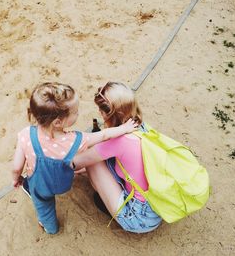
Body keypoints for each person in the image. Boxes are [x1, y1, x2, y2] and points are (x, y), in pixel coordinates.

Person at [12, 82, 137, 234]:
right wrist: (124, 128)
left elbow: (17, 166)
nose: (78, 114)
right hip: (62, 184)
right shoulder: (75, 140)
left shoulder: (26, 135)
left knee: (44, 206)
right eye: (75, 112)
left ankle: (51, 228)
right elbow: (103, 135)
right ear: (58, 122)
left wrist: (16, 178)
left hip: (39, 186)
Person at [71, 82, 162, 233]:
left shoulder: (118, 142)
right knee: (101, 158)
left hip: (140, 218)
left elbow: (75, 163)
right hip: (157, 205)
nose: (100, 113)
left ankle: (108, 200)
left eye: (101, 110)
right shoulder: (140, 125)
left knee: (93, 160)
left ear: (107, 113)